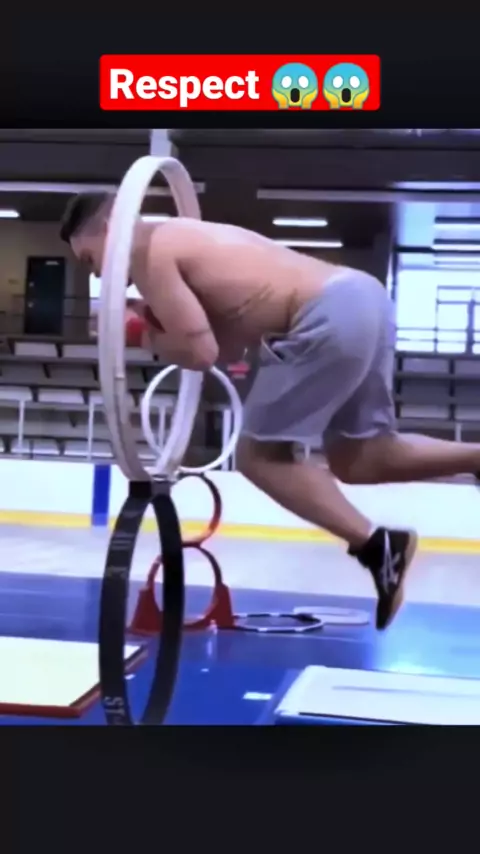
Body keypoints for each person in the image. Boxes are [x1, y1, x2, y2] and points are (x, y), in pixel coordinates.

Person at [60, 192, 480, 631]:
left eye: (91, 260)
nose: (101, 275)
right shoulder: (177, 238)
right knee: (363, 456)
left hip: (327, 313)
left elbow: (200, 355)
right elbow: (225, 346)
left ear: (110, 228)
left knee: (259, 458)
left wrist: (136, 334)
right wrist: (153, 322)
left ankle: (377, 547)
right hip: (363, 297)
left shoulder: (145, 250)